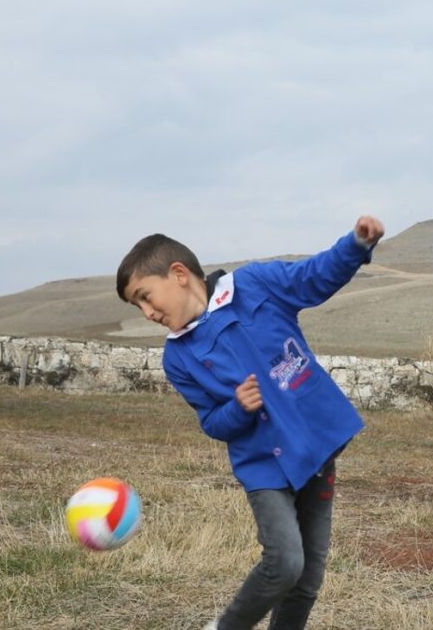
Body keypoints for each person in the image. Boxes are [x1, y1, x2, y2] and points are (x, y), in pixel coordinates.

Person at [116, 215, 385, 630]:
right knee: (285, 561)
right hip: (264, 467)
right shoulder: (178, 358)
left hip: (314, 449)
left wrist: (354, 246)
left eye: (146, 296)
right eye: (139, 306)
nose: (147, 312)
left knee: (308, 579)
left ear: (179, 274)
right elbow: (212, 422)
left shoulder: (255, 284)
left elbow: (314, 277)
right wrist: (238, 409)